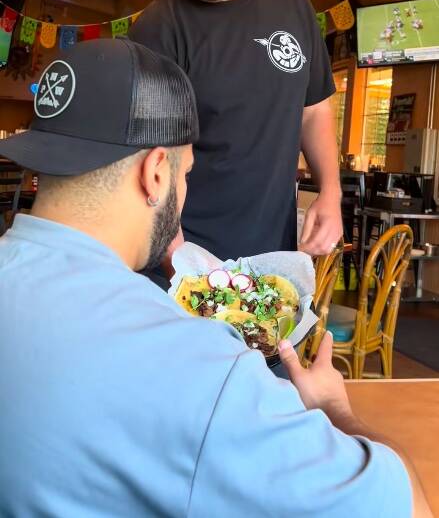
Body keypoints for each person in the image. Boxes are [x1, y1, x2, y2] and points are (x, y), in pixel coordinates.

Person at [0, 38, 429, 517]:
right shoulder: (202, 369)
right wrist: (331, 408)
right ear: (156, 173)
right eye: (186, 174)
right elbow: (408, 505)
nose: (183, 191)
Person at [129, 0, 343, 265]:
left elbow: (314, 109)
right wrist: (179, 263)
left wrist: (330, 193)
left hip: (274, 253)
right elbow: (147, 160)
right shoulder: (156, 31)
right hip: (191, 260)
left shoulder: (293, 6)